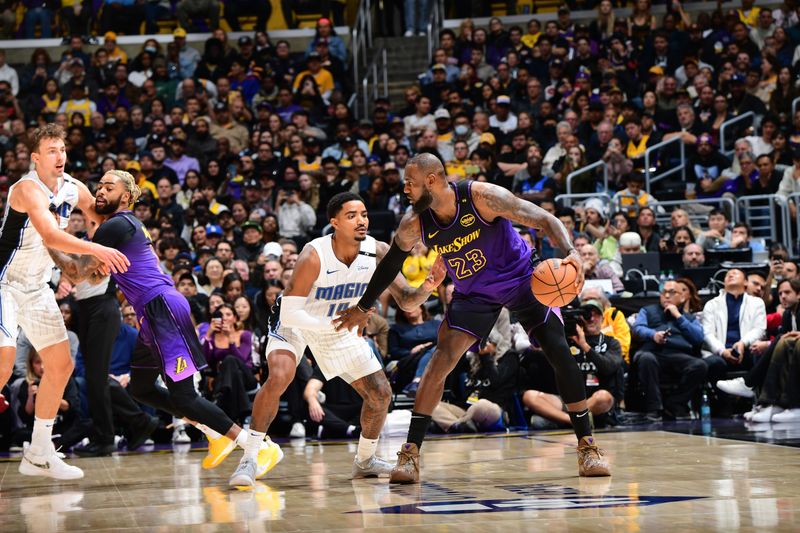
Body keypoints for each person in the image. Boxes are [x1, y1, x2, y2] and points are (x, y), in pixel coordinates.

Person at [334, 153, 610, 482]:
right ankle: (410, 454)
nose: (405, 189)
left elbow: (544, 219)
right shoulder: (414, 222)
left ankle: (587, 447)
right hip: (473, 293)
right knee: (441, 360)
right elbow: (391, 263)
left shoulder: (482, 196)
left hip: (522, 279)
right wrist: (363, 306)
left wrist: (571, 251)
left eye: (411, 182)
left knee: (557, 348)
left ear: (432, 181)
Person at [51, 170, 279, 477]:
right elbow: (94, 273)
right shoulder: (121, 228)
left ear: (127, 197)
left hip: (162, 310)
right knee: (143, 388)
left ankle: (256, 447)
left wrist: (48, 236)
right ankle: (212, 432)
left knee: (185, 395)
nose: (100, 191)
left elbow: (78, 272)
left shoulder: (117, 224)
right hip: (152, 315)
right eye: (99, 186)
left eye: (109, 186)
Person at [228, 192, 446, 487]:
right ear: (334, 222)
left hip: (340, 322)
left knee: (380, 394)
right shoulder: (313, 254)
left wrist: (428, 286)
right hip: (297, 319)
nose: (361, 221)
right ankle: (250, 457)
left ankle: (365, 460)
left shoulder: (377, 250)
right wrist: (331, 325)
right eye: (352, 215)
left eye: (365, 214)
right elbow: (291, 313)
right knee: (281, 375)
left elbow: (407, 301)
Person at [0, 124, 128, 480]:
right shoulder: (26, 189)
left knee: (60, 364)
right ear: (36, 158)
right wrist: (96, 248)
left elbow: (99, 216)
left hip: (38, 286)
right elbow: (51, 234)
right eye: (52, 151)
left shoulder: (73, 187)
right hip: (4, 283)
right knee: (4, 363)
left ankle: (39, 452)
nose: (60, 157)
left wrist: (106, 235)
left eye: (63, 149)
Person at [522, 299, 622, 429]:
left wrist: (585, 346)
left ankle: (560, 420)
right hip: (567, 401)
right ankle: (572, 421)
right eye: (587, 314)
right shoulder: (566, 340)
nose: (591, 318)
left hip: (594, 400)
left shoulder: (611, 343)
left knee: (604, 397)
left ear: (602, 318)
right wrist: (543, 345)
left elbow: (609, 367)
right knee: (529, 396)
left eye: (596, 314)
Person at [631, 280, 707, 421]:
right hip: (653, 352)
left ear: (682, 297)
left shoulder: (688, 317)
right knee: (646, 358)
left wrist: (678, 316)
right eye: (663, 292)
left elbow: (698, 338)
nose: (666, 296)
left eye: (672, 292)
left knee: (700, 365)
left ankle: (674, 403)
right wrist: (653, 335)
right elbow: (637, 328)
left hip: (679, 355)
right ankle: (654, 408)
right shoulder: (647, 310)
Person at [701, 269, 767, 384]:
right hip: (719, 352)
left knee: (761, 357)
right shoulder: (712, 304)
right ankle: (722, 400)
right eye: (727, 275)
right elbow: (707, 334)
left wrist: (742, 343)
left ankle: (756, 396)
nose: (730, 275)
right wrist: (722, 351)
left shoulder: (757, 303)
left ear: (746, 282)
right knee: (714, 363)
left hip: (747, 350)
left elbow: (759, 329)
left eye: (735, 274)